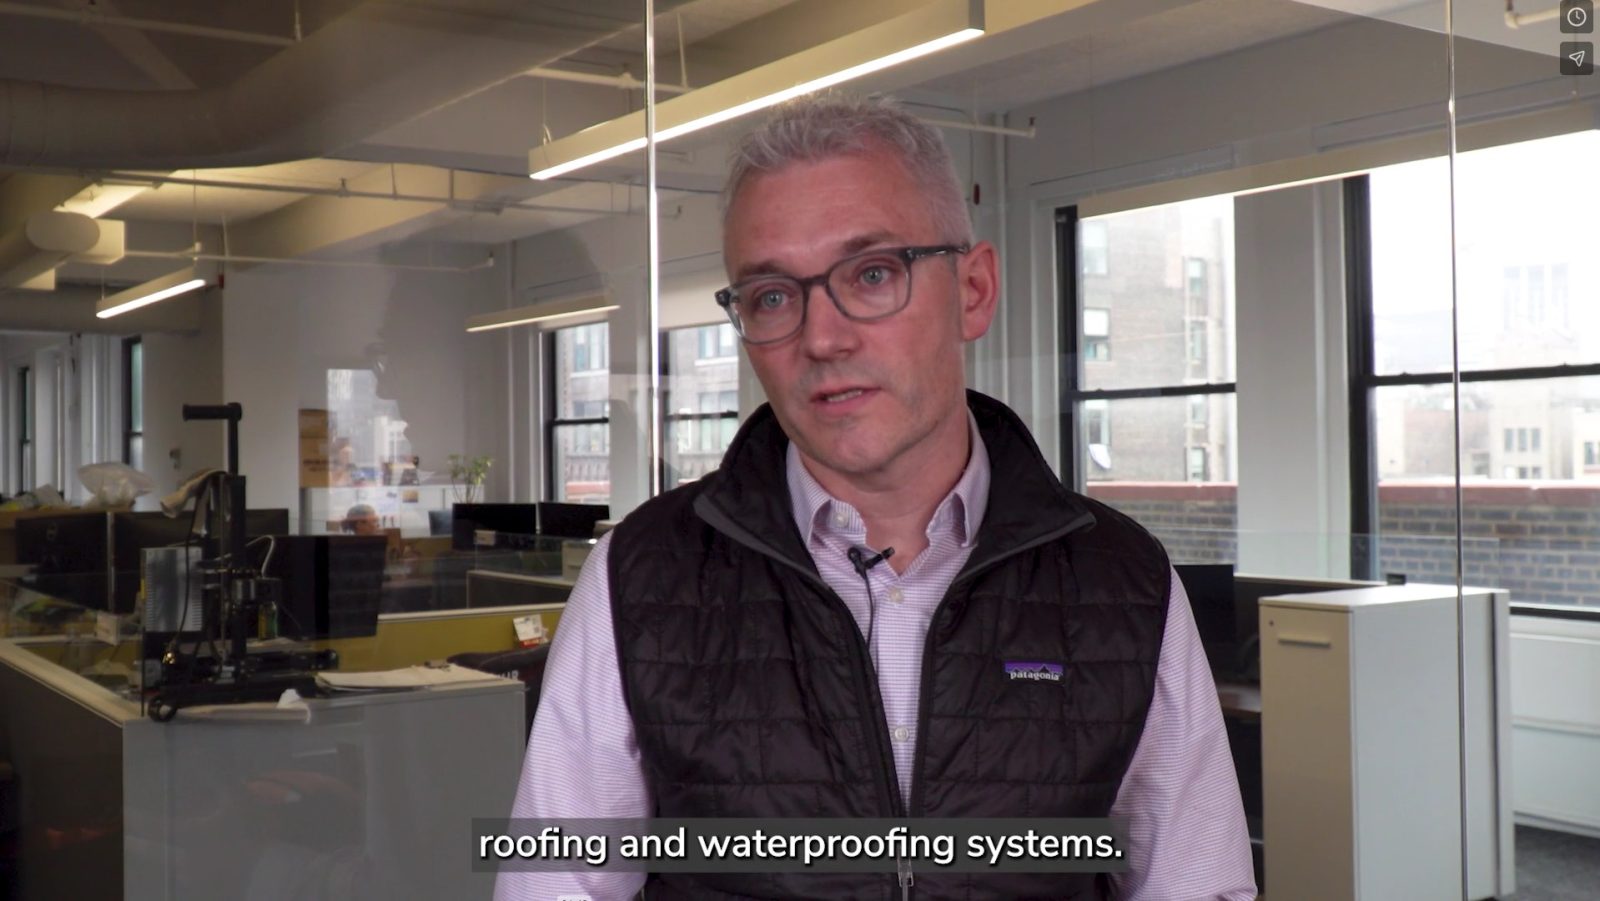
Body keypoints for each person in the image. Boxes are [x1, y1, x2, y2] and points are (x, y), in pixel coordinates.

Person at [496, 95, 1254, 900]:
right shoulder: (643, 576)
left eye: (872, 274)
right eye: (772, 295)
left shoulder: (1121, 579)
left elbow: (1194, 883)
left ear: (973, 290)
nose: (822, 338)